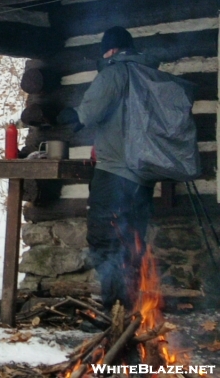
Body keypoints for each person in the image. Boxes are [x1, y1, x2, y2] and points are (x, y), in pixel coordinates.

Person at [56, 26, 157, 311]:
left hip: (115, 175)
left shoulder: (113, 73)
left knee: (105, 239)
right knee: (133, 239)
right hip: (144, 178)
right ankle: (137, 307)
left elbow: (85, 115)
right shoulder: (148, 75)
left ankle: (115, 310)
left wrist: (66, 114)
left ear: (110, 50)